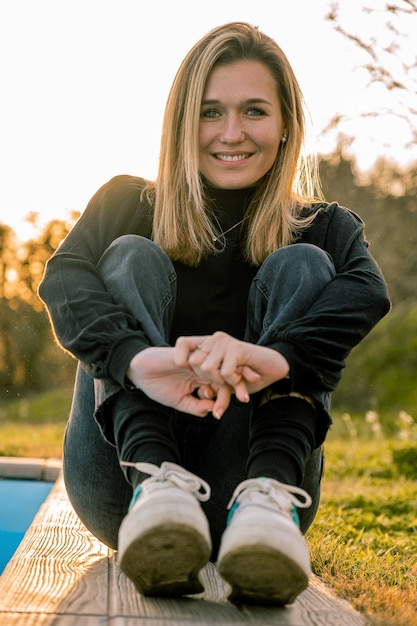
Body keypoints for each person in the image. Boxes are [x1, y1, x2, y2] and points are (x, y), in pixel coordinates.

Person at [38, 22, 390, 606]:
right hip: (122, 485)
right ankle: (158, 488)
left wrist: (277, 357)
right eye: (210, 112)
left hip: (259, 494)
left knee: (305, 262)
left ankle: (267, 497)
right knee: (127, 255)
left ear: (284, 127)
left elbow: (366, 291)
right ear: (182, 123)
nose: (232, 133)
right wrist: (137, 359)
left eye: (254, 111)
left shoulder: (326, 225)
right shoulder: (128, 202)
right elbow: (63, 280)